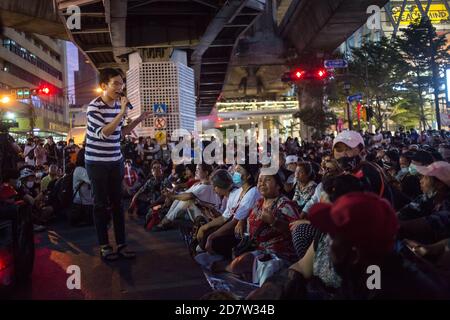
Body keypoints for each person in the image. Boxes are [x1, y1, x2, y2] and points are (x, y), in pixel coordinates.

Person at [304, 193, 448, 299]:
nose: (328, 243)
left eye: (333, 237)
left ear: (355, 254)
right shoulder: (374, 270)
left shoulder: (387, 289)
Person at [85, 68, 151, 261]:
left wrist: (138, 119)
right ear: (103, 86)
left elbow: (121, 133)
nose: (120, 88)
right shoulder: (94, 107)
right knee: (100, 204)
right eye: (116, 84)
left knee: (117, 204)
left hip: (115, 160)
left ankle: (121, 244)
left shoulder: (117, 107)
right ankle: (105, 245)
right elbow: (103, 133)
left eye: (122, 84)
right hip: (96, 162)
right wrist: (122, 112)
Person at [227, 170, 300, 282]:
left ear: (278, 185)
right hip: (260, 250)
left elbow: (297, 231)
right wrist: (241, 220)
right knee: (237, 266)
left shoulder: (285, 205)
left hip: (280, 255)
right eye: (260, 180)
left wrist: (274, 221)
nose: (261, 183)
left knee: (265, 277)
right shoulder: (259, 202)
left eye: (267, 180)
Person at [155, 164, 221, 230]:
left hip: (208, 216)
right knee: (182, 197)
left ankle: (166, 221)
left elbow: (189, 195)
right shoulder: (198, 184)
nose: (195, 172)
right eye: (196, 169)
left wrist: (172, 196)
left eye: (198, 169)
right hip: (199, 213)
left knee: (188, 200)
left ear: (206, 173)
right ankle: (166, 219)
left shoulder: (207, 186)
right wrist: (171, 193)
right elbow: (184, 193)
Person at [397, 161, 450, 244]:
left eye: (426, 178)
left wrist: (391, 224)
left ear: (440, 185)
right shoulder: (426, 197)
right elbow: (406, 211)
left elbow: (427, 224)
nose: (421, 181)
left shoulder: (447, 206)